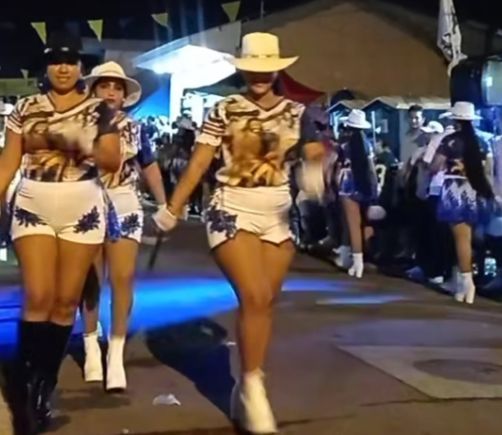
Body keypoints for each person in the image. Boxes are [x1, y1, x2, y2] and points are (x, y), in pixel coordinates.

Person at [152, 32, 324, 434]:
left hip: (277, 211)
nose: (259, 76)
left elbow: (314, 150)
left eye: (267, 69)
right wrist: (173, 207)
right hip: (231, 206)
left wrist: (314, 170)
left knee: (264, 303)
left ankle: (246, 385)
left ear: (278, 70)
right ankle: (254, 389)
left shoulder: (297, 112)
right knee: (254, 295)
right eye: (252, 68)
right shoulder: (224, 109)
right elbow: (199, 163)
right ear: (241, 69)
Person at [0, 32, 120, 434]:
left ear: (81, 67)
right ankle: (23, 378)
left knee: (66, 302)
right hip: (33, 202)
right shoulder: (25, 107)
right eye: (55, 61)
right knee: (39, 296)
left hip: (81, 205)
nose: (63, 68)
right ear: (46, 67)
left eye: (70, 61)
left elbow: (113, 160)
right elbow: (8, 163)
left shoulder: (99, 110)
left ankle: (41, 386)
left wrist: (85, 145)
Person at [79, 62, 167, 391]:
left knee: (122, 279)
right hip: (85, 203)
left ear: (124, 94)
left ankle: (115, 354)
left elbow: (149, 165)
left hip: (125, 204)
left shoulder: (135, 128)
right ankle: (90, 344)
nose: (111, 92)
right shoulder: (78, 124)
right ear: (93, 90)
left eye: (117, 87)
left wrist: (165, 205)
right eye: (104, 86)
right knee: (90, 280)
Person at [432, 102, 494, 304]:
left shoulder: (450, 140)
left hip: (454, 189)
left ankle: (467, 283)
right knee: (469, 238)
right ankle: (462, 279)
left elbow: (435, 166)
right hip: (476, 189)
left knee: (460, 238)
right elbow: (488, 171)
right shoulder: (482, 142)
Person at [336, 109, 378, 278]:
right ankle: (367, 256)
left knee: (353, 225)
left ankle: (357, 263)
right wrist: (375, 187)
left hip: (347, 182)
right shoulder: (367, 144)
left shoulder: (344, 146)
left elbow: (337, 167)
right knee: (366, 222)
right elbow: (371, 168)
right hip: (365, 181)